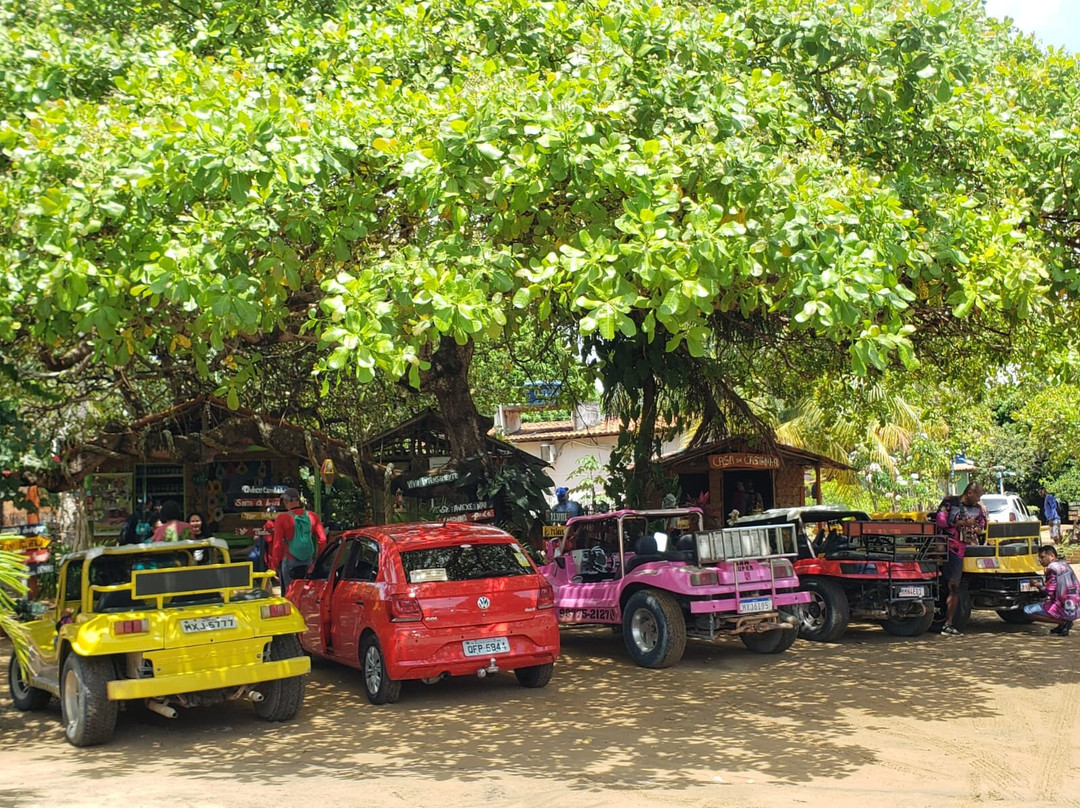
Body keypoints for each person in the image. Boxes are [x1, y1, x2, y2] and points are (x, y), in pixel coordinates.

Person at [935, 482, 987, 636]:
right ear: (969, 493)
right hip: (948, 546)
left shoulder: (977, 509)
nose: (979, 499)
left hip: (962, 548)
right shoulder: (949, 502)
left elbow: (982, 523)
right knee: (952, 585)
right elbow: (940, 520)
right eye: (978, 496)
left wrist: (978, 528)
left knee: (955, 585)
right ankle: (947, 623)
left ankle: (948, 623)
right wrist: (961, 523)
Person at [269, 487, 327, 595]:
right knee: (306, 594)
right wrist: (318, 559)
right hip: (308, 561)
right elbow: (322, 540)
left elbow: (277, 545)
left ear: (286, 501)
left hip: (289, 561)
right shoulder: (312, 516)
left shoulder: (282, 518)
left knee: (289, 595)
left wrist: (275, 565)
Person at [1024, 545, 1080, 636]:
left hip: (1063, 607)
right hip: (1076, 606)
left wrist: (1036, 584)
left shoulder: (1051, 568)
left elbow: (1048, 592)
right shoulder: (1065, 564)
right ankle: (1061, 625)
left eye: (1042, 557)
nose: (1041, 560)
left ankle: (1063, 623)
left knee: (1027, 610)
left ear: (1052, 556)